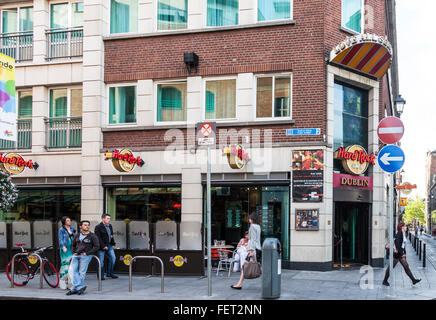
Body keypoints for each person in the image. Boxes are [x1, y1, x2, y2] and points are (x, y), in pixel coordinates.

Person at [66, 220, 100, 296]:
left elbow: (97, 246)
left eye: (88, 225)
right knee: (72, 271)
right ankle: (80, 287)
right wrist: (73, 252)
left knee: (81, 272)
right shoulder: (77, 235)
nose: (87, 226)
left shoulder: (92, 236)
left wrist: (87, 253)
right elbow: (73, 245)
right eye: (85, 225)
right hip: (76, 255)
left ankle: (74, 289)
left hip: (85, 256)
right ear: (80, 226)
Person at [382, 222, 421, 286]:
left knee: (405, 266)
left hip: (399, 253)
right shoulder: (400, 233)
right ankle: (384, 281)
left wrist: (404, 253)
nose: (406, 227)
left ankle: (413, 280)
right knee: (392, 267)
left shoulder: (402, 233)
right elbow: (398, 245)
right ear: (402, 227)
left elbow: (403, 245)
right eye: (405, 226)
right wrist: (402, 253)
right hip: (398, 254)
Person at [231, 213, 262, 290]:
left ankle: (239, 284)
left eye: (249, 218)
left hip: (253, 250)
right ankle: (239, 284)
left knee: (247, 266)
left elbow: (252, 240)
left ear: (252, 219)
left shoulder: (252, 227)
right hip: (257, 248)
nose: (249, 220)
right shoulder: (258, 227)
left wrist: (251, 251)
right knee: (250, 265)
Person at [95, 213, 118, 280]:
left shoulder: (110, 226)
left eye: (109, 218)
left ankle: (110, 273)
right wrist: (103, 246)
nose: (109, 220)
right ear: (103, 219)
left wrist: (112, 242)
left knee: (113, 258)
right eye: (108, 218)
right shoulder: (98, 227)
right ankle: (100, 276)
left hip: (109, 245)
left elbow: (111, 235)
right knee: (100, 261)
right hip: (101, 247)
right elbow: (98, 238)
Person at [58, 216, 76, 290]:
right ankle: (62, 282)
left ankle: (70, 282)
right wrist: (63, 247)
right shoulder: (61, 230)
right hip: (65, 249)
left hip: (72, 249)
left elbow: (75, 238)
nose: (69, 221)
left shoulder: (72, 229)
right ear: (64, 222)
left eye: (69, 220)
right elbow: (60, 239)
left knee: (71, 266)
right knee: (65, 265)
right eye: (68, 220)